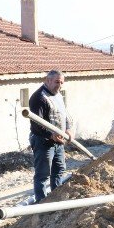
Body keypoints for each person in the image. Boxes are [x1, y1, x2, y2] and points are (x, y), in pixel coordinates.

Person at [28, 70, 73, 202]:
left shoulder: (58, 95)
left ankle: (56, 200)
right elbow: (36, 124)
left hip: (58, 141)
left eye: (61, 82)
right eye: (57, 82)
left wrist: (69, 129)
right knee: (43, 175)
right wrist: (50, 135)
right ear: (47, 80)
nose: (59, 85)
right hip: (43, 142)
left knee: (59, 171)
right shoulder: (39, 98)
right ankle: (42, 204)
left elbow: (65, 114)